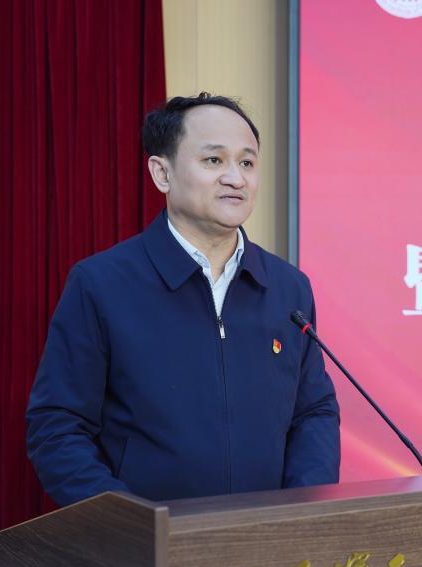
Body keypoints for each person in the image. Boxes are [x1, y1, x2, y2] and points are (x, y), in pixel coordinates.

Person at [26, 93, 341, 506]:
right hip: (148, 538)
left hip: (267, 537)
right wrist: (128, 523)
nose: (236, 178)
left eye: (247, 163)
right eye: (214, 160)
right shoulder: (101, 284)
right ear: (162, 173)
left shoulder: (287, 287)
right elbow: (58, 426)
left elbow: (313, 411)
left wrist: (300, 512)